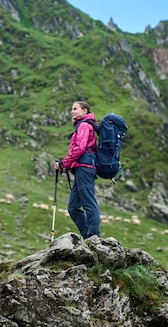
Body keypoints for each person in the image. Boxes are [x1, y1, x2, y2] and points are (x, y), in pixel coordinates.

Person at [53, 101, 100, 238]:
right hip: (81, 168)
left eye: (75, 109)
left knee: (89, 204)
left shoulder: (84, 125)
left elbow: (80, 148)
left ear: (84, 111)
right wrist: (65, 164)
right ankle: (87, 236)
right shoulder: (83, 125)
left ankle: (93, 237)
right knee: (73, 208)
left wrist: (63, 163)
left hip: (85, 168)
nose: (72, 112)